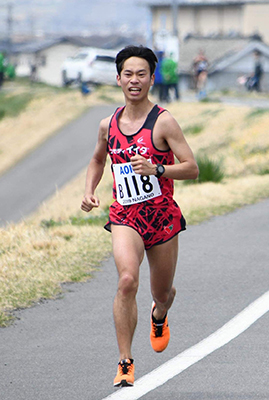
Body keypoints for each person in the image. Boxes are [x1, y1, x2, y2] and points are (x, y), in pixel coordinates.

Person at [80, 45, 199, 388]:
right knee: (126, 280)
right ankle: (125, 362)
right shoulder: (108, 124)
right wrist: (90, 189)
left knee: (162, 293)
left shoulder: (164, 121)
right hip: (125, 216)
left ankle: (159, 314)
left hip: (161, 219)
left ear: (151, 79)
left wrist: (157, 167)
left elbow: (192, 168)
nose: (135, 80)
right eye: (128, 74)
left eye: (142, 74)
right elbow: (98, 160)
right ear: (118, 79)